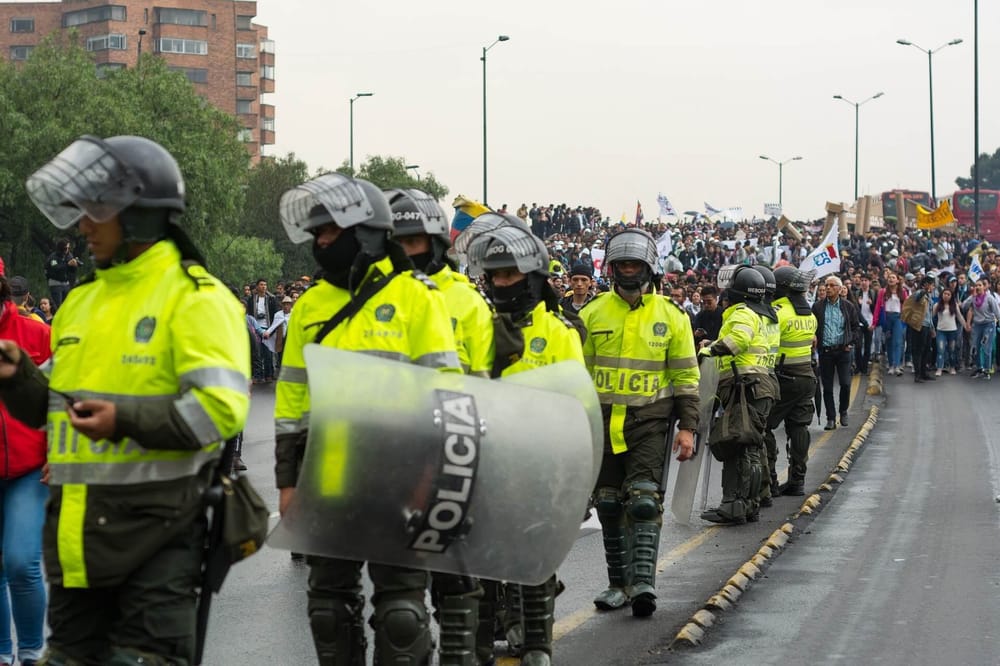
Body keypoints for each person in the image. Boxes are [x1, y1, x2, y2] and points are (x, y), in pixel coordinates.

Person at [2, 134, 250, 665]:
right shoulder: (81, 301)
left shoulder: (196, 297)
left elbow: (221, 411)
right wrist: (17, 377)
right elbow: (54, 411)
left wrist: (123, 420)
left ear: (137, 213)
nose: (83, 225)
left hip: (157, 541)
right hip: (74, 542)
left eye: (97, 210)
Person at [274, 173, 460, 665]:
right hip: (328, 476)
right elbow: (293, 401)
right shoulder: (309, 305)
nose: (321, 243)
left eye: (330, 232)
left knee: (402, 614)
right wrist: (287, 480)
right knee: (327, 609)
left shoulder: (417, 297)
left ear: (367, 233)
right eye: (316, 234)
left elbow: (446, 396)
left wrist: (434, 480)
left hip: (404, 476)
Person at [463, 221, 585, 666]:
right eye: (495, 275)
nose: (501, 283)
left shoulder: (558, 333)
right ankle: (483, 644)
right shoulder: (477, 327)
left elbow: (574, 405)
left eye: (510, 275)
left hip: (538, 463)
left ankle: (538, 643)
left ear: (532, 276)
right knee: (485, 561)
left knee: (535, 557)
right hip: (485, 460)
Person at [387, 188, 494, 664]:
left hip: (453, 453)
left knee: (455, 577)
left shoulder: (468, 302)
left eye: (415, 241)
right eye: (398, 240)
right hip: (388, 455)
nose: (407, 251)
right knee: (399, 602)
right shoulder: (375, 293)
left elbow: (482, 382)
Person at [580, 229, 698, 617]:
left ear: (649, 268)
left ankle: (643, 583)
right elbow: (574, 373)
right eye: (622, 264)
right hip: (601, 424)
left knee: (644, 501)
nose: (628, 271)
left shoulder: (672, 316)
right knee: (610, 504)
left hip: (650, 423)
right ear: (613, 269)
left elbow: (686, 377)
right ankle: (618, 584)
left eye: (635, 264)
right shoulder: (591, 313)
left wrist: (688, 427)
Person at [0, 269, 52, 666]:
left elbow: (62, 397)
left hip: (29, 468)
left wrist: (58, 452)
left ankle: (32, 652)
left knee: (20, 560)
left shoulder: (36, 333)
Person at [700, 266, 776, 526]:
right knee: (751, 447)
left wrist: (709, 350)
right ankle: (749, 505)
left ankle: (734, 506)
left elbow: (738, 341)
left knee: (737, 446)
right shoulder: (765, 316)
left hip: (744, 386)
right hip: (761, 385)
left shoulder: (742, 313)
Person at [766, 267, 818, 497]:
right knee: (799, 427)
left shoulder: (777, 312)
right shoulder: (809, 315)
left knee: (762, 425)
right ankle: (797, 481)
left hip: (783, 377)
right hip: (807, 376)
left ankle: (769, 482)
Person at [748, 265, 781, 506]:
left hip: (754, 380)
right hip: (770, 378)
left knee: (753, 439)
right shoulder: (774, 316)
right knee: (763, 435)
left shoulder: (754, 317)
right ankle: (770, 486)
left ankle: (762, 491)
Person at [812, 275, 859, 429]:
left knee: (845, 384)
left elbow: (855, 328)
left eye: (832, 285)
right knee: (827, 387)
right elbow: (813, 326)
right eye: (827, 285)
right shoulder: (818, 307)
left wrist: (850, 343)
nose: (828, 288)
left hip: (843, 351)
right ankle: (830, 418)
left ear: (839, 289)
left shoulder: (848, 306)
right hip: (826, 352)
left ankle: (843, 411)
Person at [962, 278, 1000, 379]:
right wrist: (971, 297)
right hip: (977, 325)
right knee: (975, 347)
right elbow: (964, 306)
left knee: (986, 347)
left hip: (989, 325)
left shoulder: (989, 298)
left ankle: (987, 371)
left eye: (980, 285)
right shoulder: (973, 298)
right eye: (976, 285)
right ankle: (979, 368)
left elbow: (997, 312)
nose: (978, 287)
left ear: (983, 287)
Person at [903, 274, 937, 383]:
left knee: (926, 350)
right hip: (918, 325)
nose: (933, 288)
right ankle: (917, 375)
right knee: (918, 350)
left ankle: (924, 373)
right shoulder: (919, 293)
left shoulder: (929, 297)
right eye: (932, 285)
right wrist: (924, 291)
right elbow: (917, 299)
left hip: (927, 326)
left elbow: (929, 314)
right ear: (926, 285)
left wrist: (932, 328)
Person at [873, 272, 908, 376]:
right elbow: (878, 307)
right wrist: (874, 322)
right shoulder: (883, 292)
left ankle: (897, 365)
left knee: (897, 341)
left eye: (893, 277)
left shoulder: (903, 292)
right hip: (886, 318)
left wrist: (906, 319)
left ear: (897, 280)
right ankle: (891, 364)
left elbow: (906, 307)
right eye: (889, 278)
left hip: (898, 318)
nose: (891, 279)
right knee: (888, 341)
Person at [44, 238, 81, 311]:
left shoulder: (69, 255)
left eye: (68, 248)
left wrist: (74, 266)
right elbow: (56, 269)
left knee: (66, 306)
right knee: (57, 306)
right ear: (61, 248)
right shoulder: (53, 257)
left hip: (66, 283)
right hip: (55, 283)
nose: (67, 250)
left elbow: (71, 271)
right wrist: (68, 264)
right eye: (66, 248)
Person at [933, 288, 963, 376]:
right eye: (945, 294)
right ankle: (939, 368)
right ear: (942, 295)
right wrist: (931, 328)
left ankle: (952, 367)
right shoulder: (937, 305)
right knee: (940, 350)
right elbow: (931, 317)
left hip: (952, 331)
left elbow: (960, 317)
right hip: (940, 331)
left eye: (948, 294)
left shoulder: (954, 305)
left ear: (951, 296)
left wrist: (966, 326)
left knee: (952, 351)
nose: (946, 296)